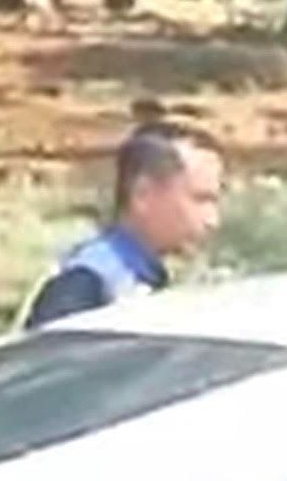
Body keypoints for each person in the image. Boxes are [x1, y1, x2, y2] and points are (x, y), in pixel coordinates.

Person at [20, 119, 224, 329]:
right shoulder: (87, 283)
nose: (212, 220)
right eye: (201, 200)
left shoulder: (139, 277)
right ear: (142, 194)